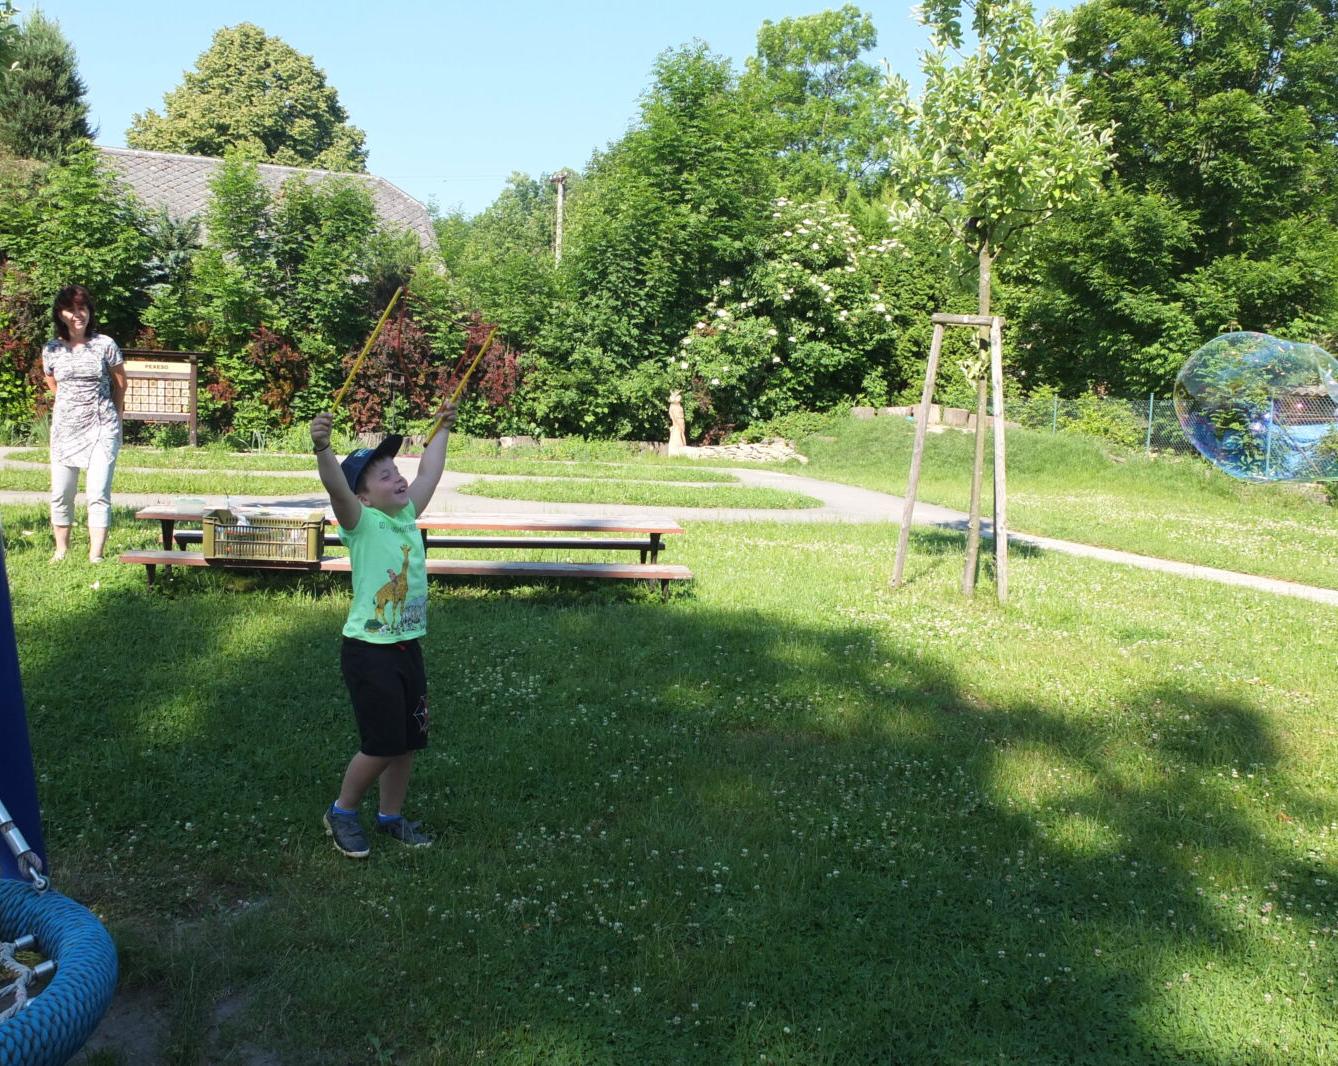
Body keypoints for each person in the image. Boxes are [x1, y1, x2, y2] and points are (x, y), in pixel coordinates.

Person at [309, 402, 457, 858]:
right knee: (382, 742)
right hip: (369, 650)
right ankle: (343, 811)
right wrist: (323, 449)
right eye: (384, 475)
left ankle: (391, 817)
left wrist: (442, 431)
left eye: (396, 469)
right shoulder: (361, 522)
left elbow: (430, 473)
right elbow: (337, 491)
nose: (398, 477)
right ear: (365, 496)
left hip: (405, 646)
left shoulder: (406, 514)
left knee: (408, 740)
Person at [42, 285, 126, 563]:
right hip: (65, 431)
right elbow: (54, 384)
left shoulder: (105, 344)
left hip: (102, 428)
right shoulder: (51, 348)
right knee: (61, 493)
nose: (78, 315)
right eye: (71, 309)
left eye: (83, 308)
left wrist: (114, 418)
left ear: (90, 312)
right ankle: (61, 550)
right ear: (60, 314)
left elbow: (120, 384)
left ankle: (96, 555)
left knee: (97, 492)